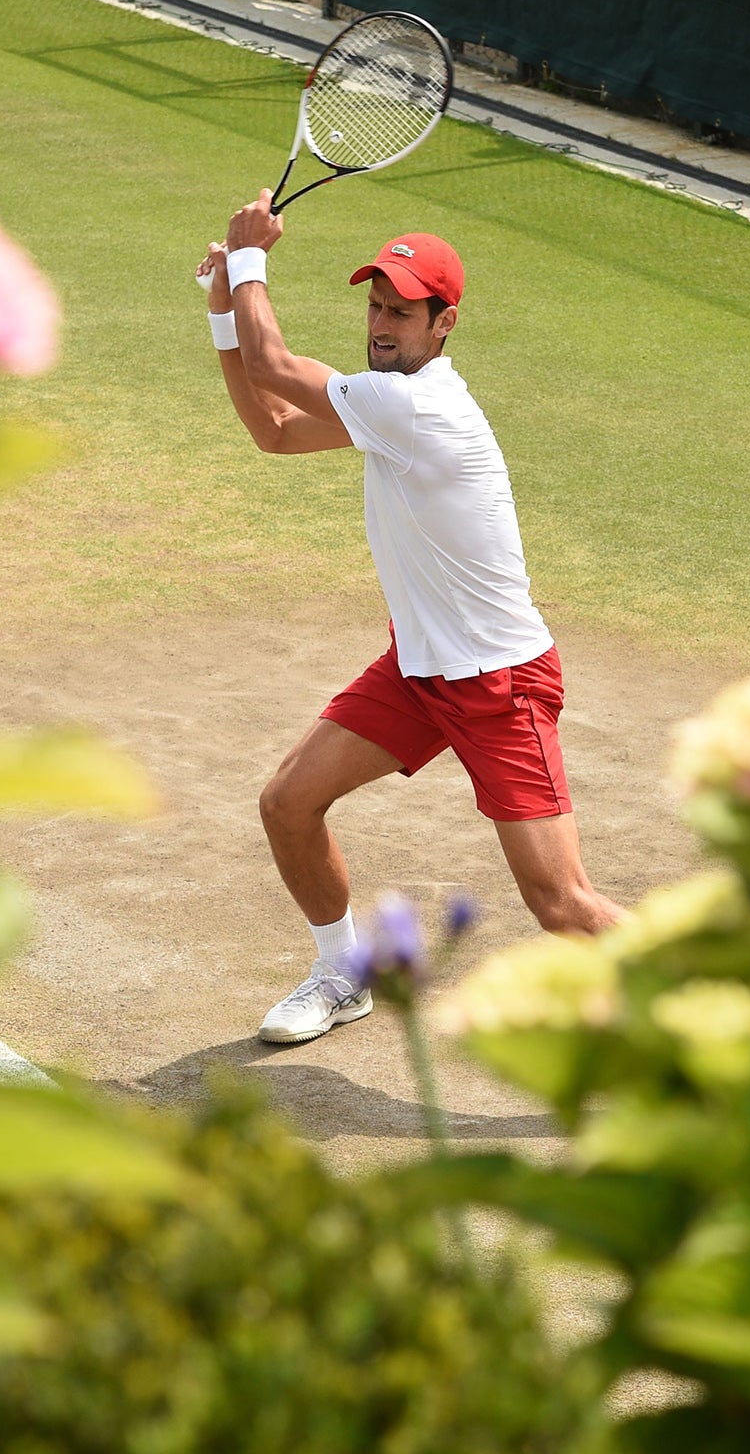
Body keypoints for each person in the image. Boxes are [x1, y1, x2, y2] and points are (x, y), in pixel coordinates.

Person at [198, 191, 628, 1046]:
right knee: (288, 803)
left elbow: (278, 366)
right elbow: (277, 431)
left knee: (561, 903)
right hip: (419, 669)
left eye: (403, 310)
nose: (382, 323)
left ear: (444, 324)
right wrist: (223, 313)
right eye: (375, 304)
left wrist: (249, 260)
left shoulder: (420, 409)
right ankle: (341, 973)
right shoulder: (388, 405)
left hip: (499, 684)